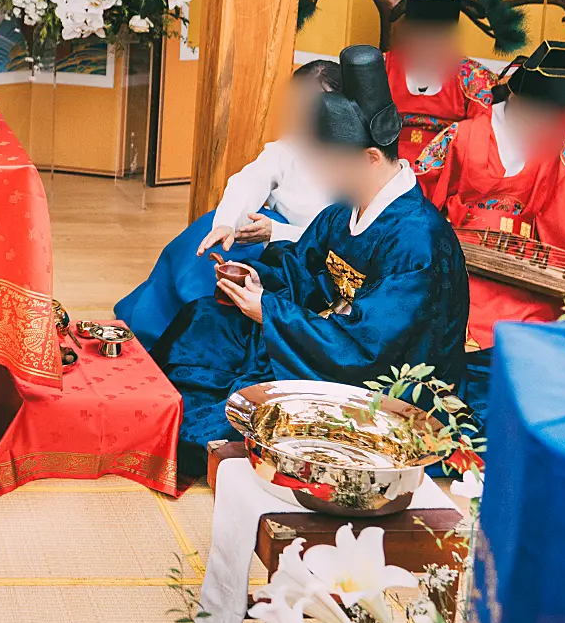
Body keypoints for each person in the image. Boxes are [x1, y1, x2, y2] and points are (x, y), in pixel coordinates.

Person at [148, 45, 470, 460]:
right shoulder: (343, 211)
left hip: (377, 384)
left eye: (327, 161)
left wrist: (270, 313)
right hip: (320, 340)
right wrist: (259, 282)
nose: (318, 171)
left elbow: (370, 350)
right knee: (202, 319)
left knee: (208, 425)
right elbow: (304, 269)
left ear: (371, 158)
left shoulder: (418, 244)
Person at [415, 41, 565, 378]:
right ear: (516, 98)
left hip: (523, 266)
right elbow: (418, 193)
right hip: (463, 258)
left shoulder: (557, 143)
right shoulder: (462, 135)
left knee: (536, 331)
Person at [115, 59, 340, 347]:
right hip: (270, 236)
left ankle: (187, 339)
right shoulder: (289, 148)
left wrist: (277, 232)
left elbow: (342, 236)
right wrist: (226, 223)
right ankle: (149, 326)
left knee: (223, 273)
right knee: (203, 237)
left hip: (309, 258)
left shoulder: (352, 161)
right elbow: (249, 181)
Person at [387, 0, 497, 163]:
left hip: (448, 168)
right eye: (421, 33)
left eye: (438, 35)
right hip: (388, 166)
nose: (429, 43)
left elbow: (482, 136)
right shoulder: (380, 68)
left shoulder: (473, 77)